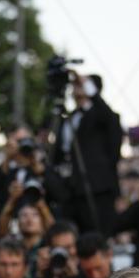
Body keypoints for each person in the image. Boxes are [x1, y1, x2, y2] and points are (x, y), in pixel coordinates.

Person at [52, 73, 124, 234]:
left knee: (96, 235)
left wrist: (86, 84)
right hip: (68, 188)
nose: (76, 87)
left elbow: (109, 119)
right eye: (75, 85)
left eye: (81, 85)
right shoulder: (66, 117)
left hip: (95, 189)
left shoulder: (102, 117)